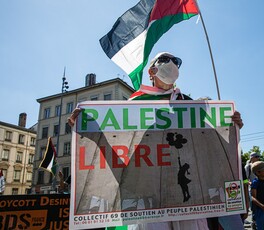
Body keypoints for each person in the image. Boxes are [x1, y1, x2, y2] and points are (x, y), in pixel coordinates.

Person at [68, 52, 245, 230]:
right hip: (149, 201)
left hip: (189, 200)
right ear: (151, 71)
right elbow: (118, 150)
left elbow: (212, 146)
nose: (172, 64)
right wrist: (86, 126)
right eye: (165, 60)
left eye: (176, 61)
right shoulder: (133, 106)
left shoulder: (189, 105)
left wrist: (230, 128)